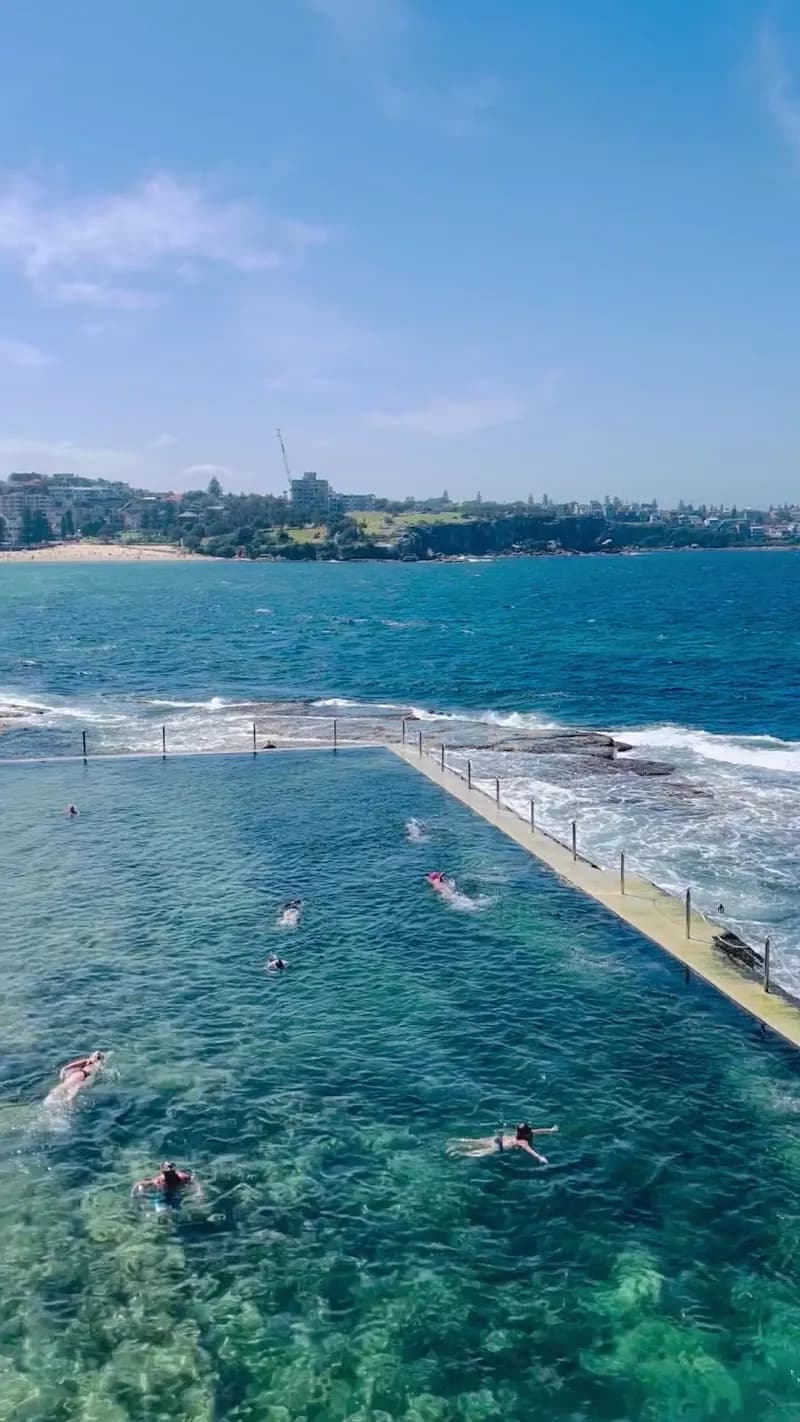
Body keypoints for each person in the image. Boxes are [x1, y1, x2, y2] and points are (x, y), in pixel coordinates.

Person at [447, 1122, 558, 1164]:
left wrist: (550, 1130)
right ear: (526, 1133)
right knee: (478, 1153)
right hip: (498, 1147)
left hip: (497, 1139)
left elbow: (539, 1131)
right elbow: (530, 1150)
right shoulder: (523, 1141)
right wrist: (539, 1157)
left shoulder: (520, 1135)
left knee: (476, 1142)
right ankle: (459, 1153)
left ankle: (455, 1142)